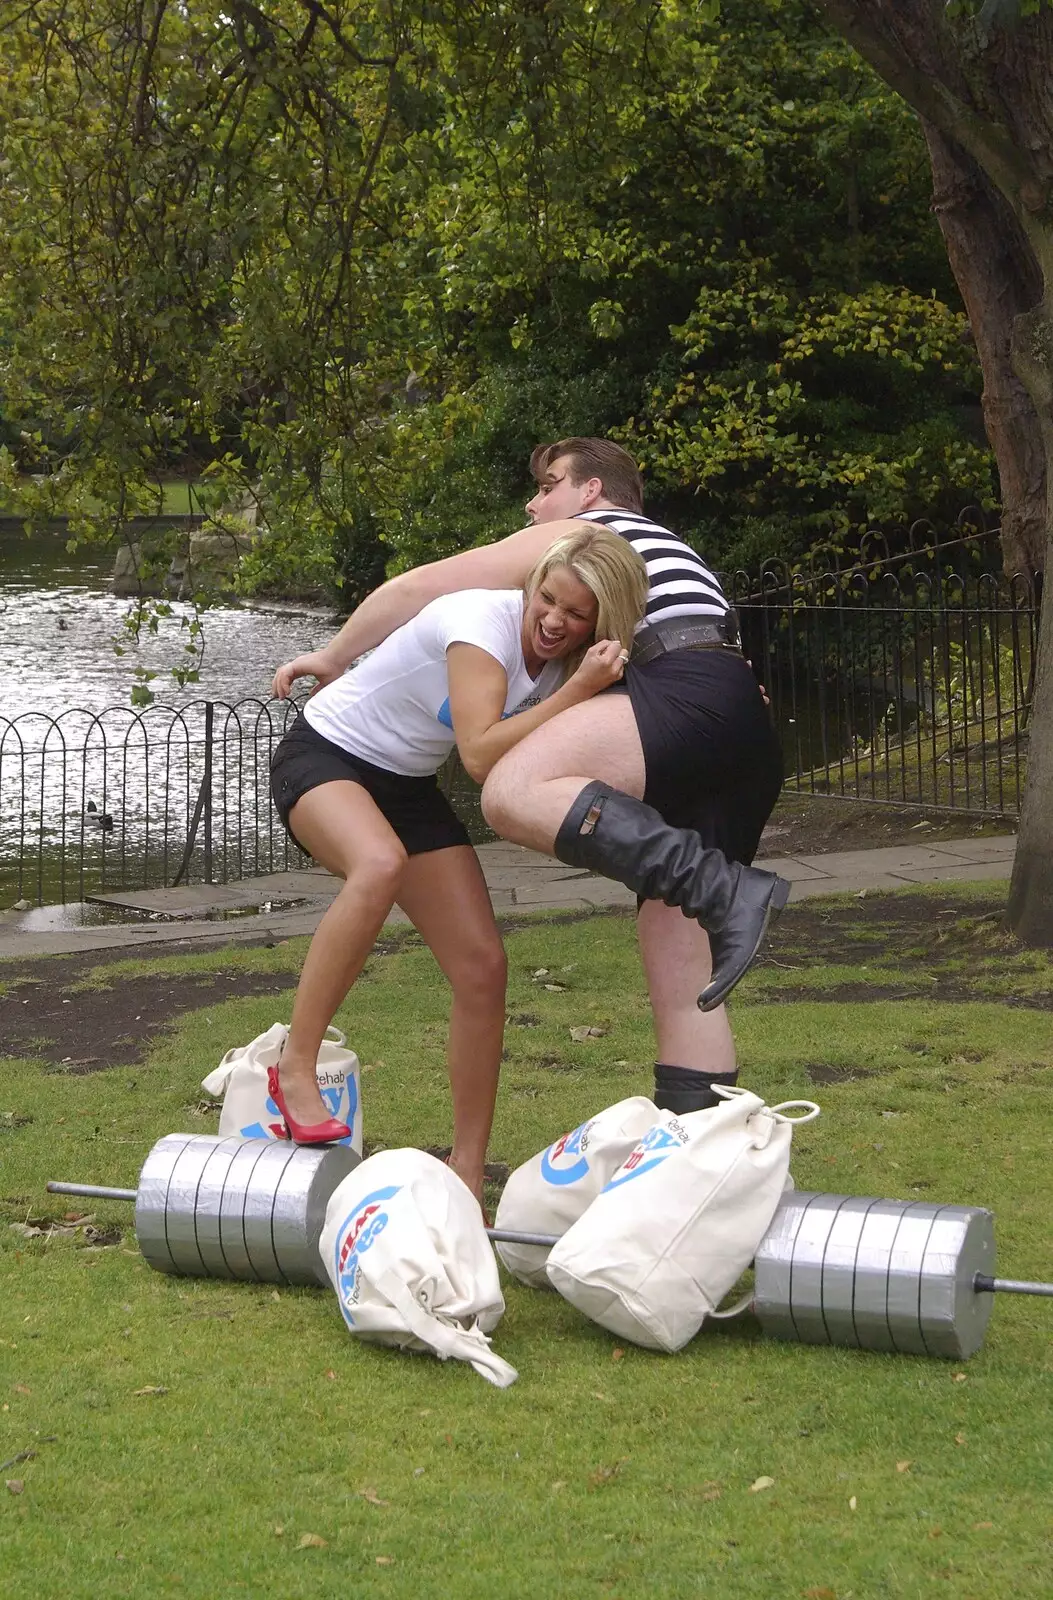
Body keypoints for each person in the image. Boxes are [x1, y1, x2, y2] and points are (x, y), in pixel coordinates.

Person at [273, 439, 788, 1120]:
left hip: (686, 694)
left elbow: (418, 584)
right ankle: (701, 1141)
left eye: (548, 486)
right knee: (683, 957)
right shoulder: (634, 581)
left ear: (590, 494)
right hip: (736, 720)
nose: (533, 504)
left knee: (511, 792)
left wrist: (334, 653)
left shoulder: (590, 538)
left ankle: (724, 890)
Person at [268, 525, 649, 1204]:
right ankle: (295, 1066)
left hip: (406, 785)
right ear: (532, 587)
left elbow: (653, 701)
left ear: (603, 622)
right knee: (378, 864)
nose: (553, 621)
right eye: (547, 599)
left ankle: (466, 1174)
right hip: (327, 754)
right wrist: (579, 687)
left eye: (576, 614)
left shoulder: (589, 657)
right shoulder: (481, 624)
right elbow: (477, 757)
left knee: (482, 966)